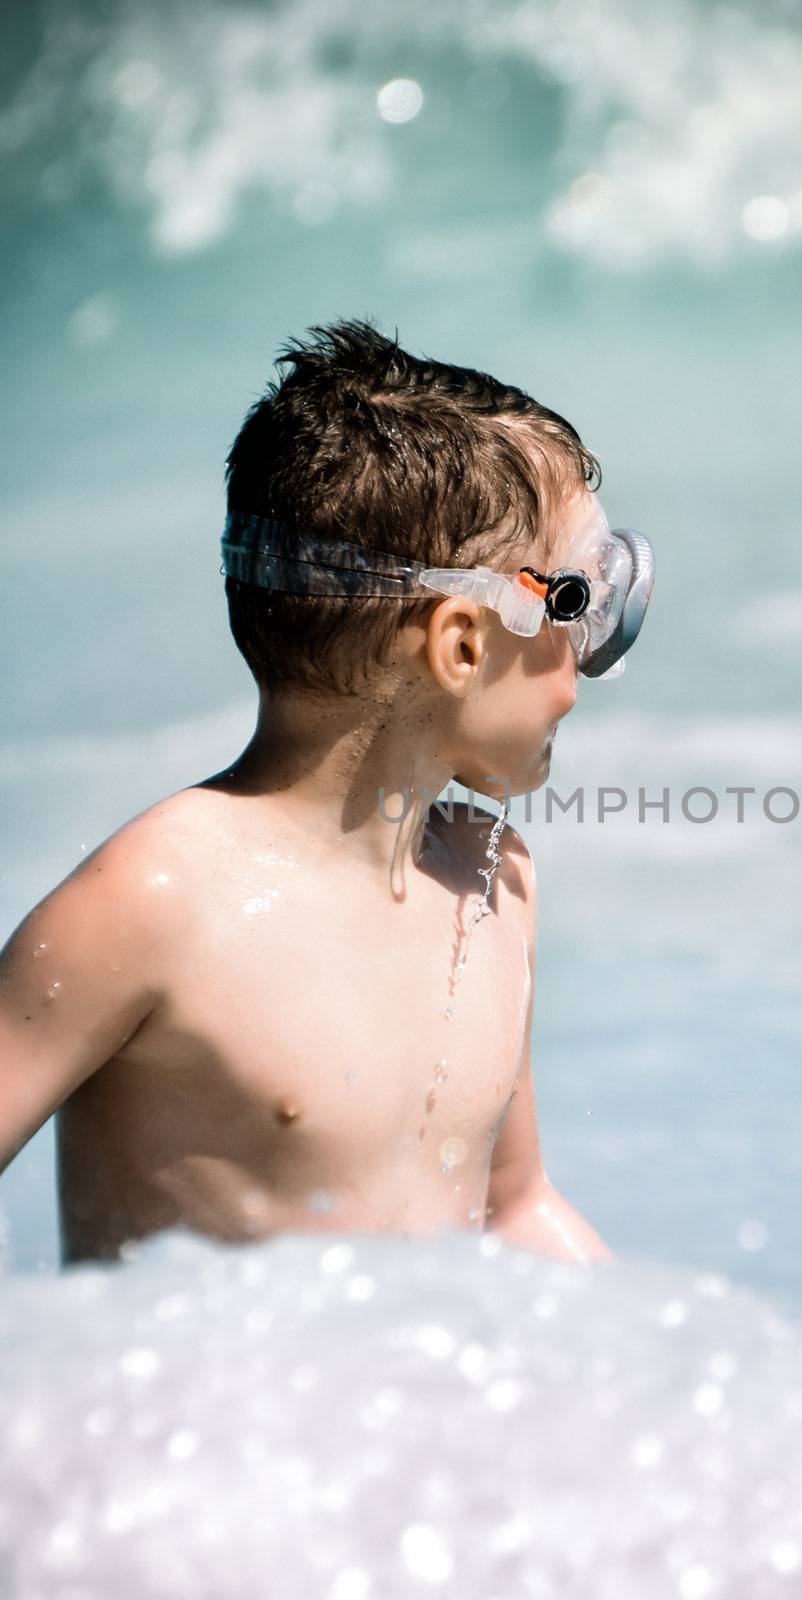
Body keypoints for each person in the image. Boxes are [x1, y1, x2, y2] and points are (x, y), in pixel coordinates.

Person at [0, 319, 654, 1267]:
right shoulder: (158, 903)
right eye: (576, 604)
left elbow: (516, 1212)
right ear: (463, 644)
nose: (585, 658)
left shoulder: (492, 878)